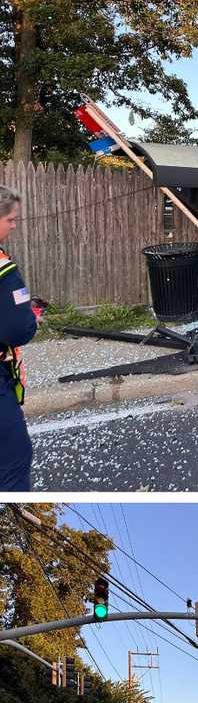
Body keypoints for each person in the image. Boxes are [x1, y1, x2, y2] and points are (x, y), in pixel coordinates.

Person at [0, 185, 38, 491]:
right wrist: (30, 316)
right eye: (11, 219)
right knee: (14, 458)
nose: (14, 225)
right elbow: (17, 329)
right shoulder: (3, 267)